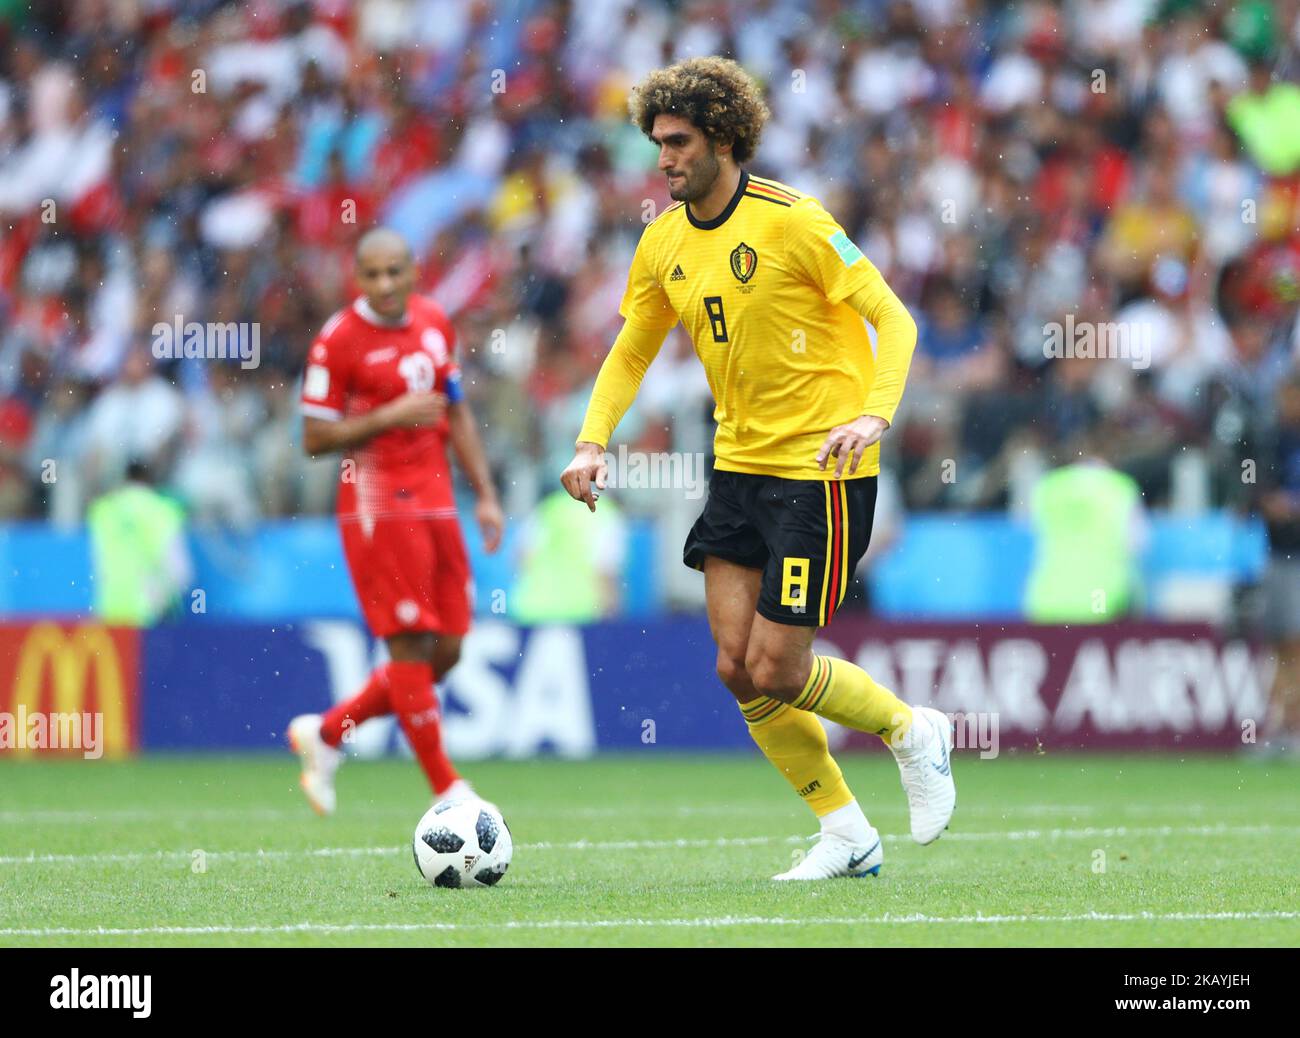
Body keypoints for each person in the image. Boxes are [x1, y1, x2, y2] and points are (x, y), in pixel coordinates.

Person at [559, 57, 954, 881]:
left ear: (725, 140)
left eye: (678, 142)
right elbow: (633, 348)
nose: (663, 159)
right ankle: (845, 831)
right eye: (657, 143)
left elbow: (894, 317)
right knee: (736, 668)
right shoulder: (662, 240)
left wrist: (876, 412)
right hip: (738, 468)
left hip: (823, 470)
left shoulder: (794, 221)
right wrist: (592, 440)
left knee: (779, 665)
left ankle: (912, 731)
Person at [287, 227, 504, 814]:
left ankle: (330, 732)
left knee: (450, 648)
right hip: (377, 502)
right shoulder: (338, 341)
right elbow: (313, 436)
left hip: (437, 500)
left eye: (394, 272)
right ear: (357, 279)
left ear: (414, 272)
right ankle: (448, 790)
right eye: (372, 275)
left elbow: (456, 411)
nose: (384, 285)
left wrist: (484, 494)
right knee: (408, 646)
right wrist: (390, 414)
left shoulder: (435, 322)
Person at [87, 458, 192, 626]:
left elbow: (98, 566)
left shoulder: (104, 511)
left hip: (110, 614)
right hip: (150, 617)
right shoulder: (163, 511)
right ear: (150, 480)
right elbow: (181, 573)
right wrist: (160, 602)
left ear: (124, 479)